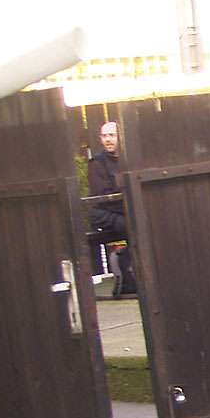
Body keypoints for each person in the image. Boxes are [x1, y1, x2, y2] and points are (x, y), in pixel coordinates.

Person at [86, 120, 134, 294]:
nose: (108, 139)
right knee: (133, 226)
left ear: (120, 136)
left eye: (112, 135)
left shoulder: (128, 159)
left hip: (125, 210)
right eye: (104, 136)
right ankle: (123, 266)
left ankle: (128, 271)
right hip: (104, 213)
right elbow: (104, 195)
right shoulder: (97, 163)